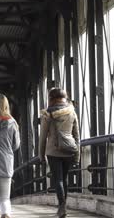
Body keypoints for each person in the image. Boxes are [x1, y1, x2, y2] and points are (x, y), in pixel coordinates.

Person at [39, 88, 80, 218]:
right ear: (65, 97)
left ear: (51, 98)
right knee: (64, 179)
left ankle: (61, 206)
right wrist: (77, 156)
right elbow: (77, 136)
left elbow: (43, 137)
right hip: (69, 150)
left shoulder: (47, 114)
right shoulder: (72, 112)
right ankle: (63, 206)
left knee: (58, 179)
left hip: (53, 151)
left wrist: (41, 155)